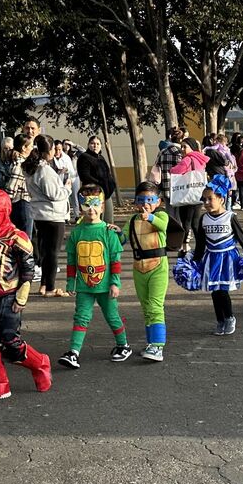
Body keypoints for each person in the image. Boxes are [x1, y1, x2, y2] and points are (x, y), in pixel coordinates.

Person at [0, 188, 51, 403]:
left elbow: (28, 270)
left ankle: (40, 363)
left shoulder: (17, 237)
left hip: (9, 298)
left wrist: (21, 298)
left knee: (11, 343)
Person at [57, 185, 130, 369]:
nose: (91, 209)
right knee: (81, 317)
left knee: (112, 316)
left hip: (105, 286)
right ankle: (73, 352)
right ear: (80, 206)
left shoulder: (108, 232)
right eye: (86, 205)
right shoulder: (77, 232)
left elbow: (115, 259)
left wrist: (115, 283)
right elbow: (72, 259)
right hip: (83, 285)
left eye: (95, 204)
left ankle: (123, 345)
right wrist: (71, 281)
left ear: (102, 206)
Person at [186, 175, 243, 335]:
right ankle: (220, 320)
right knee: (214, 291)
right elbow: (201, 243)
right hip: (211, 258)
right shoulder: (203, 219)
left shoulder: (230, 217)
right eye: (204, 199)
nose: (206, 203)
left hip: (228, 258)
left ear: (221, 199)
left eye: (210, 199)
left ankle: (229, 318)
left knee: (223, 290)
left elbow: (242, 237)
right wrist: (194, 261)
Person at [126, 181, 170, 363]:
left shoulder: (161, 216)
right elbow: (122, 237)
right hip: (139, 268)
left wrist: (150, 218)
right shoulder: (132, 220)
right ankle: (151, 342)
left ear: (158, 202)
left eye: (150, 200)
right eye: (141, 199)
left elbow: (163, 226)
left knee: (155, 305)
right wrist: (112, 232)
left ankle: (158, 346)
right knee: (146, 308)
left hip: (158, 267)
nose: (145, 203)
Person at [25, 134, 71, 298]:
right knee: (52, 253)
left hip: (40, 214)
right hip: (52, 215)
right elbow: (54, 193)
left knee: (45, 251)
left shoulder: (33, 168)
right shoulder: (43, 169)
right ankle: (50, 287)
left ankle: (44, 284)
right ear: (48, 151)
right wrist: (66, 187)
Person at [76, 135, 118, 222]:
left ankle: (107, 235)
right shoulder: (84, 157)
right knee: (96, 220)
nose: (95, 146)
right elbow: (84, 176)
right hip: (93, 194)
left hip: (106, 193)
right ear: (88, 145)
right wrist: (99, 185)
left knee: (108, 219)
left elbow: (107, 173)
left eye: (98, 144)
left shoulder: (101, 158)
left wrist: (112, 184)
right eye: (92, 143)